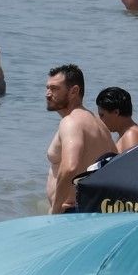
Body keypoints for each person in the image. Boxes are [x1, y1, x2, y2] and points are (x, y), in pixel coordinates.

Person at [45, 66, 110, 213]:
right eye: (47, 88)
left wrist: (55, 208)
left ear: (74, 91)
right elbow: (113, 163)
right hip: (91, 209)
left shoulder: (71, 122)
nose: (47, 94)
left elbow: (70, 167)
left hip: (72, 212)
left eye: (54, 89)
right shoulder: (99, 124)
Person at [93, 88, 138, 153]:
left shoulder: (131, 135)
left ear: (116, 112)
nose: (100, 120)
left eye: (102, 115)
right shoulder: (128, 132)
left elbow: (135, 162)